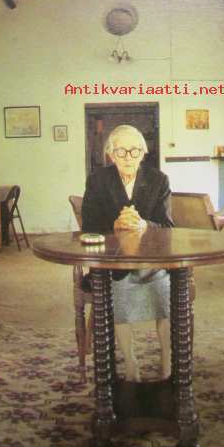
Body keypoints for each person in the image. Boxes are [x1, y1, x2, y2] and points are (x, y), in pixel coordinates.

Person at [81, 124, 173, 381]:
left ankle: (167, 361)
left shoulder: (159, 180)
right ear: (111, 154)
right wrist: (115, 225)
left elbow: (167, 227)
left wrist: (144, 224)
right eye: (121, 151)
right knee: (116, 292)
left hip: (152, 262)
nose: (128, 157)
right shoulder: (98, 180)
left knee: (166, 293)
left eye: (134, 151)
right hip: (115, 264)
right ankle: (131, 363)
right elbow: (88, 227)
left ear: (143, 153)